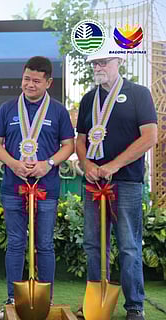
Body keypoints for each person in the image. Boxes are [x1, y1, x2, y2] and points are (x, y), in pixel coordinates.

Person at [76, 45, 157, 320]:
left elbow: (149, 137)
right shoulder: (88, 99)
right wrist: (86, 164)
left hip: (127, 182)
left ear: (119, 61)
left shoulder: (139, 94)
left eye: (103, 62)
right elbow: (80, 139)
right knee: (92, 244)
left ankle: (135, 306)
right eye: (94, 63)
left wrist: (114, 165)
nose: (98, 67)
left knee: (128, 245)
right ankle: (96, 302)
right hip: (93, 183)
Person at [0, 56, 75, 320]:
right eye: (26, 78)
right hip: (13, 187)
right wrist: (14, 164)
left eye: (36, 80)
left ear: (48, 82)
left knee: (45, 244)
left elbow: (69, 146)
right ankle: (12, 299)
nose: (30, 84)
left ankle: (45, 301)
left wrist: (48, 164)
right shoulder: (7, 108)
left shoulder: (58, 111)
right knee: (15, 243)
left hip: (46, 187)